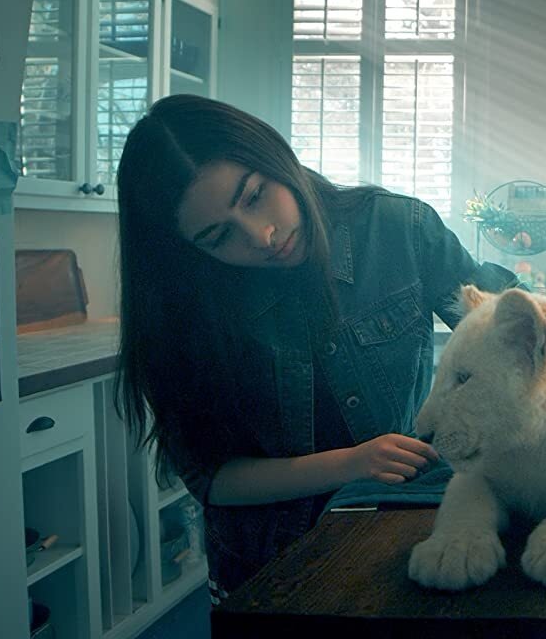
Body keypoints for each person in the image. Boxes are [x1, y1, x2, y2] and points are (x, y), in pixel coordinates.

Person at [113, 94, 519, 604]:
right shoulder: (183, 303)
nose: (261, 237)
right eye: (220, 237)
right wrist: (351, 464)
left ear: (274, 155)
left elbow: (511, 337)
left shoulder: (398, 229)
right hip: (271, 564)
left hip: (406, 527)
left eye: (256, 195)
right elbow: (212, 478)